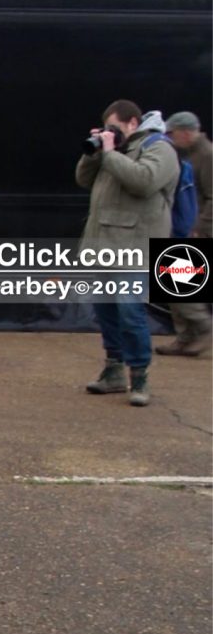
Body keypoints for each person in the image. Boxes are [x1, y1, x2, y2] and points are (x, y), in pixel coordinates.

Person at [76, 98, 179, 407]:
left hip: (134, 247)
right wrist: (95, 153)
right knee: (106, 311)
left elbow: (143, 181)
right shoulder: (115, 151)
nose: (110, 133)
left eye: (115, 128)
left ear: (133, 123)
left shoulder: (159, 148)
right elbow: (83, 179)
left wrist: (109, 152)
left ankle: (139, 376)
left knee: (131, 312)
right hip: (104, 245)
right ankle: (113, 371)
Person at [155, 110, 211, 359]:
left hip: (196, 228)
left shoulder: (207, 156)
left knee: (181, 283)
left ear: (186, 132)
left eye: (172, 133)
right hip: (182, 225)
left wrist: (199, 228)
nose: (169, 137)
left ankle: (203, 327)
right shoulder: (187, 155)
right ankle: (186, 337)